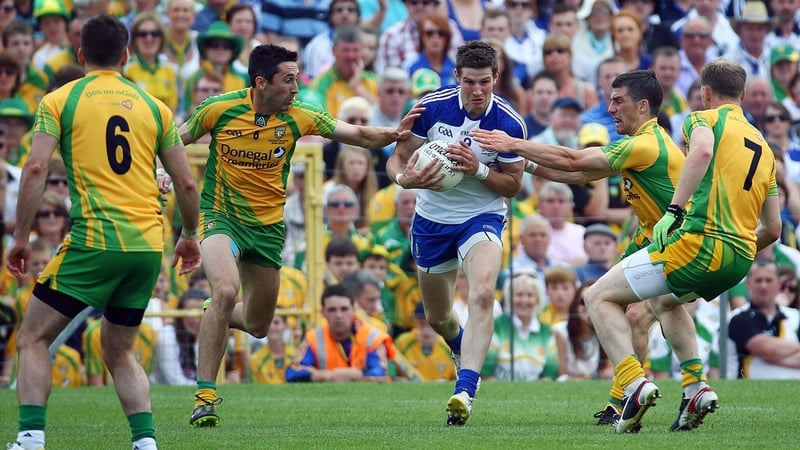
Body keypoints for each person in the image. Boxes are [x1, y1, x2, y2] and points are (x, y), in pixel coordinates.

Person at [469, 69, 727, 433]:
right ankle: (692, 386)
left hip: (679, 242)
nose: (609, 109)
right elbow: (578, 176)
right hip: (670, 239)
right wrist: (527, 165)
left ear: (642, 106)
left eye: (617, 101)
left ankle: (634, 387)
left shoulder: (645, 143)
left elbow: (575, 161)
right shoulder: (650, 141)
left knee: (597, 298)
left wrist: (513, 144)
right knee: (657, 306)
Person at [179, 43, 421, 427]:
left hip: (269, 230)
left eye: (298, 79)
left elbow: (359, 136)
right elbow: (176, 141)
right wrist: (164, 172)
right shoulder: (219, 108)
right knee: (225, 290)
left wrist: (398, 133)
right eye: (289, 80)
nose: (296, 88)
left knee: (258, 325)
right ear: (261, 82)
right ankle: (205, 397)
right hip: (220, 217)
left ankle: (216, 314)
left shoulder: (301, 115)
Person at [6, 15, 201, 450]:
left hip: (96, 240)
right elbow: (187, 183)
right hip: (148, 246)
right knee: (117, 348)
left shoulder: (60, 99)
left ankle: (31, 438)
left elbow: (36, 167)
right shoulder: (156, 107)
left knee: (32, 336)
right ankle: (146, 442)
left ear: (80, 55)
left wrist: (20, 237)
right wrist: (189, 234)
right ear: (127, 55)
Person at [385, 40, 525, 426]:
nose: (477, 91)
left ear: (496, 77)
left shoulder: (509, 122)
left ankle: (465, 388)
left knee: (482, 293)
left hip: (481, 216)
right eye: (469, 83)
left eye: (485, 82)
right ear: (456, 78)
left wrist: (477, 170)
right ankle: (461, 347)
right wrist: (404, 178)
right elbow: (396, 157)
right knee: (439, 317)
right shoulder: (432, 107)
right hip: (431, 220)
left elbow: (513, 185)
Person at [285, 284, 394, 382]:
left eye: (344, 309)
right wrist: (324, 376)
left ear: (354, 310)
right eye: (332, 310)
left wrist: (352, 375)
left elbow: (381, 374)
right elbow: (292, 372)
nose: (338, 315)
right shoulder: (314, 337)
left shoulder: (371, 336)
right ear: (323, 313)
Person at [728, 259, 800, 379]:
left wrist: (775, 358)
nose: (763, 286)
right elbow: (766, 349)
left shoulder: (795, 316)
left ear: (779, 284)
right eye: (758, 280)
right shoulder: (738, 317)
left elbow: (770, 352)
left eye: (769, 280)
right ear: (748, 284)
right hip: (749, 391)